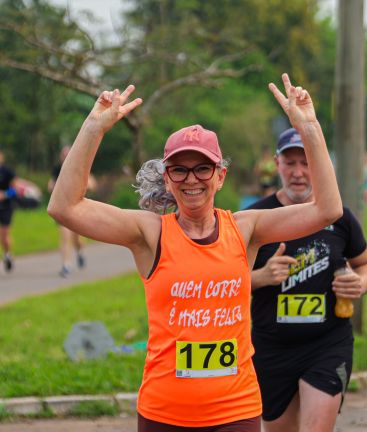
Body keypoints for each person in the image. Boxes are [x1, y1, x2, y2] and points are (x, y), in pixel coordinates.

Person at [48, 74, 343, 432]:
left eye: (202, 168)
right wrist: (94, 127)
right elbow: (65, 207)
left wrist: (309, 127)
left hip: (235, 411)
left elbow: (327, 209)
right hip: (164, 413)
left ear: (220, 176)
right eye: (180, 170)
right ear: (168, 178)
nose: (191, 179)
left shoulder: (245, 229)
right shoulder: (150, 234)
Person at [247, 127, 367, 432]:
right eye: (290, 163)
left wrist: (360, 282)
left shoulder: (337, 216)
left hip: (327, 342)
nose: (298, 172)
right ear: (277, 164)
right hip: (271, 345)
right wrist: (261, 277)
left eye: (306, 163)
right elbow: (226, 282)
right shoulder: (254, 217)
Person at [48, 145, 97, 277]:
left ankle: (80, 252)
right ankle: (66, 265)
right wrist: (56, 188)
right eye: (63, 155)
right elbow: (50, 186)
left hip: (78, 207)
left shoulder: (81, 165)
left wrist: (81, 186)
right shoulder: (57, 169)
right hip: (63, 207)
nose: (65, 157)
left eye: (67, 154)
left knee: (77, 239)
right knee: (65, 236)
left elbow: (92, 184)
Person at [0, 150, 16, 272]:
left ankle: (8, 254)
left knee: (4, 235)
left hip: (6, 206)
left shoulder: (7, 171)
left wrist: (5, 194)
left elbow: (15, 189)